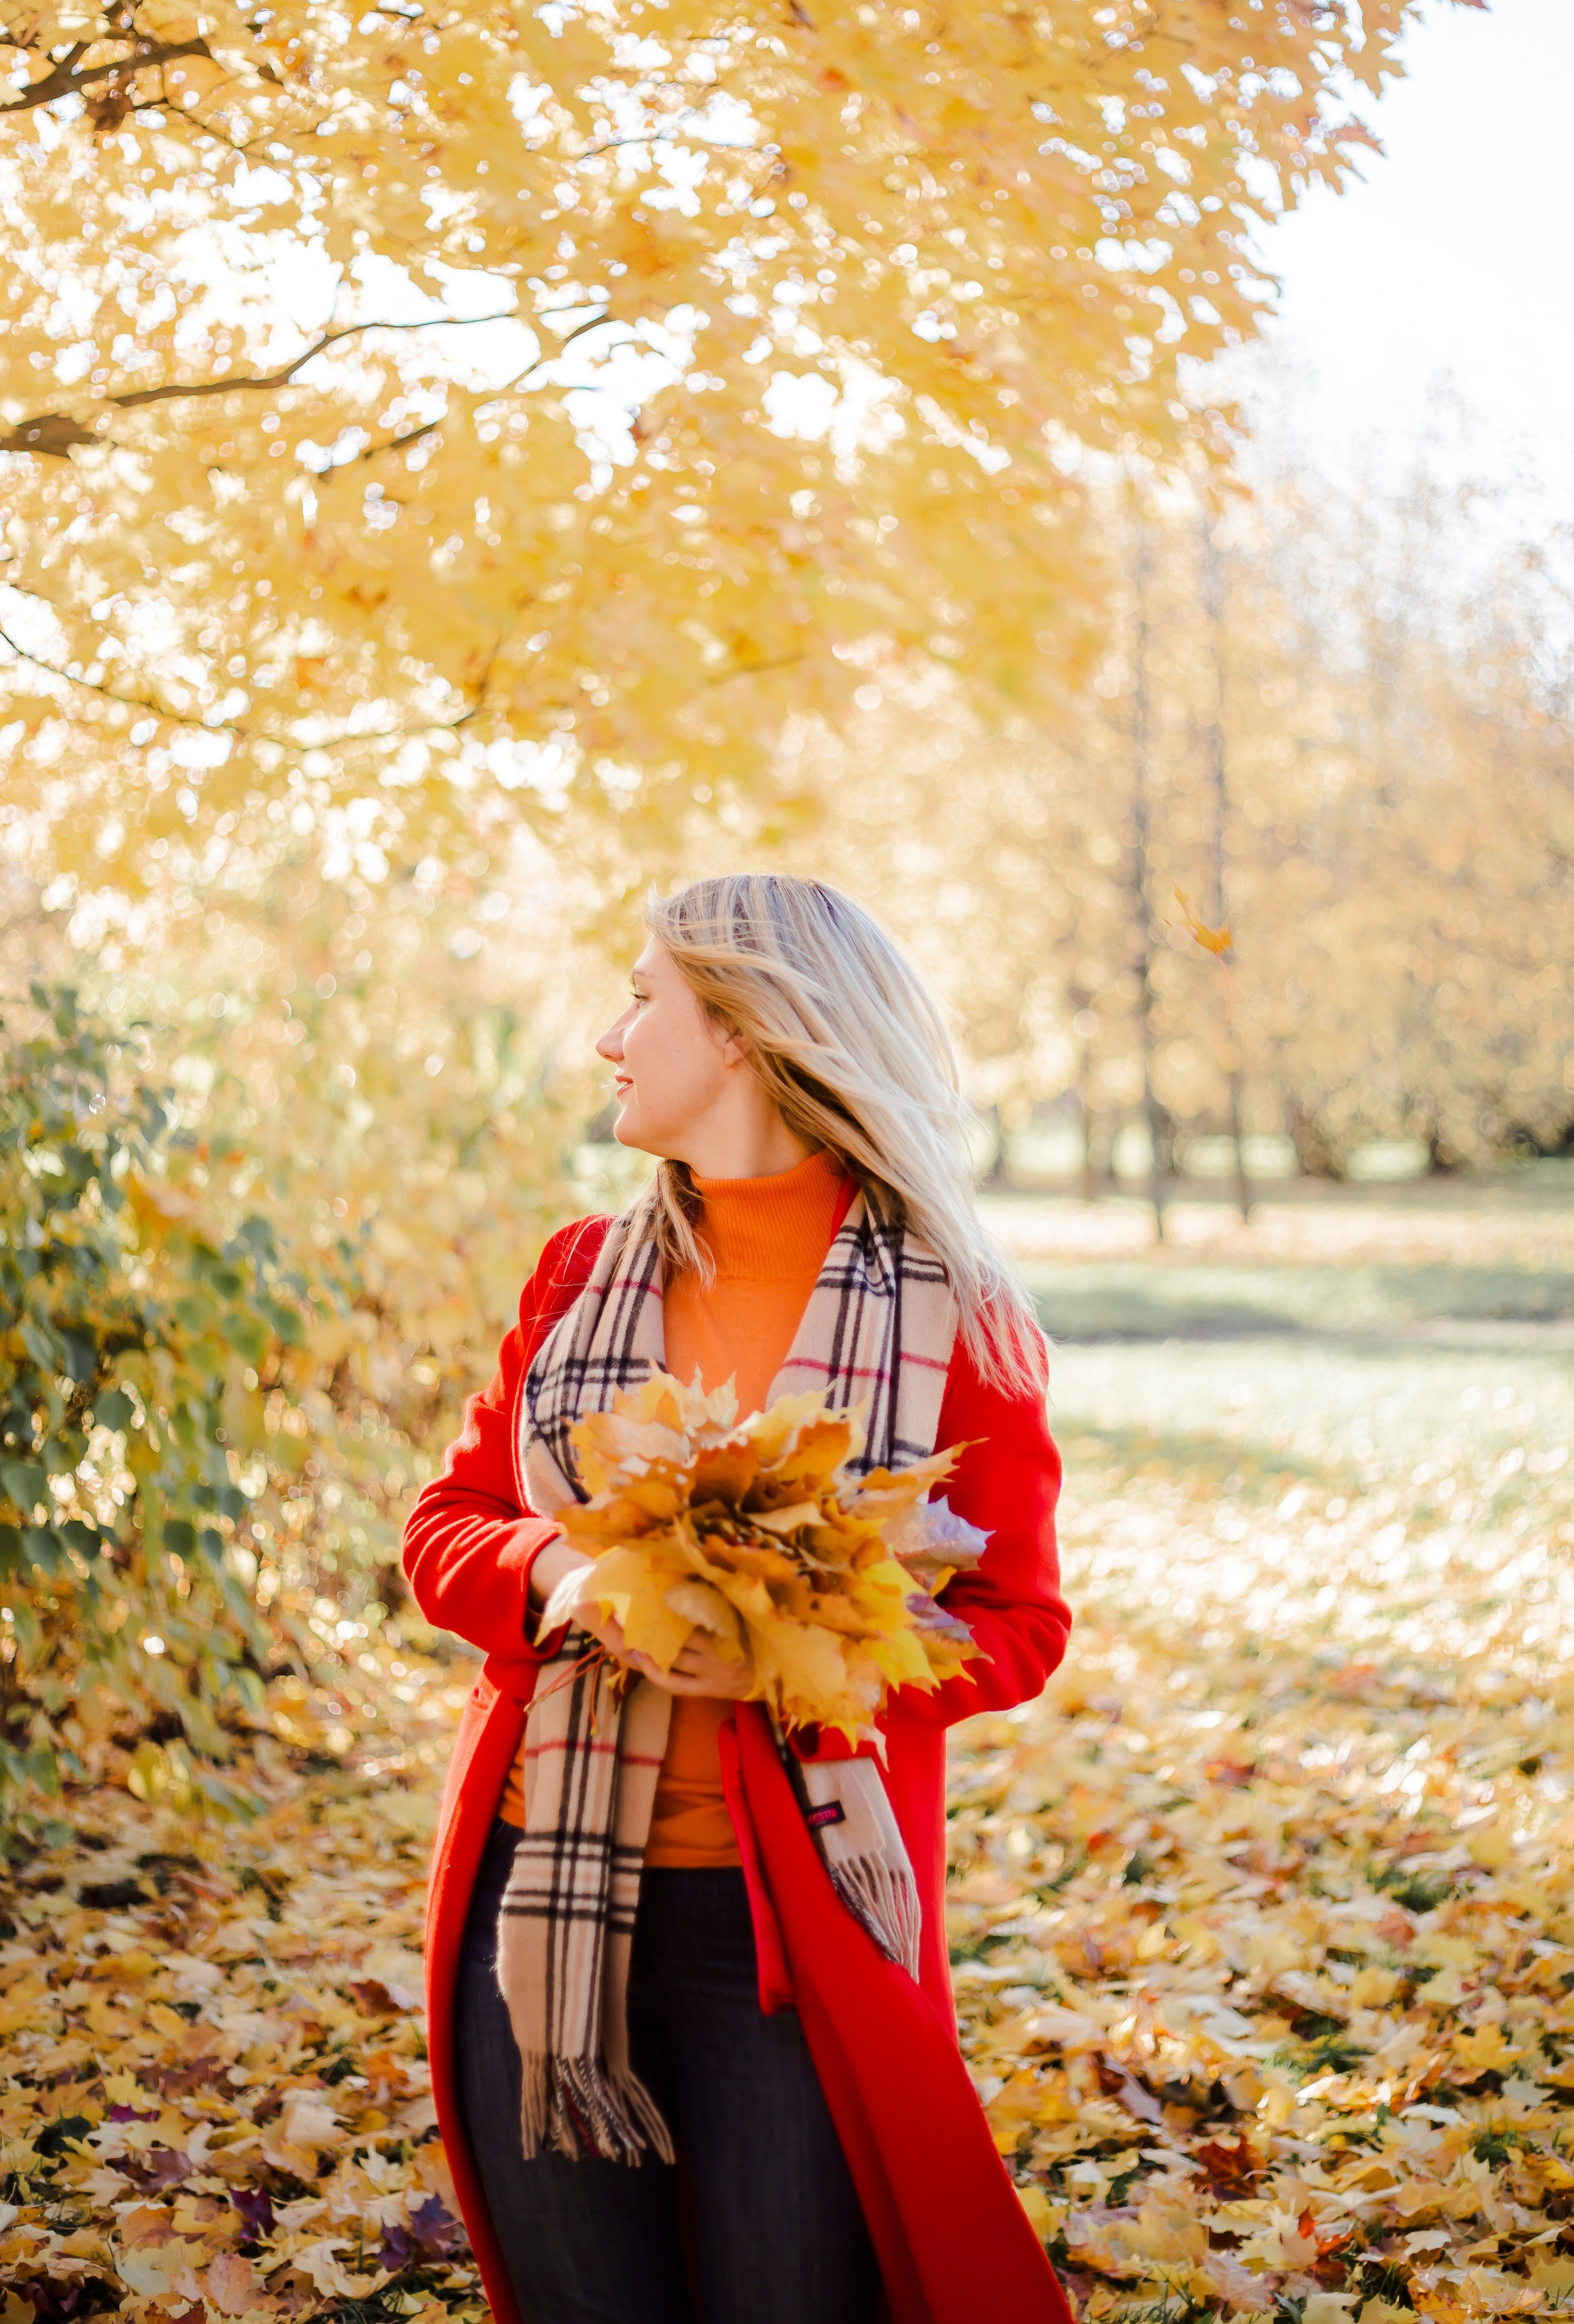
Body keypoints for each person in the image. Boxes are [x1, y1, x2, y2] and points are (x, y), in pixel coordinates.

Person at [403, 874, 1072, 2324]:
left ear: (751, 1032)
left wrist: (806, 1647)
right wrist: (563, 1574)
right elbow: (445, 1527)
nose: (608, 1035)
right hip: (546, 1906)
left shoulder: (953, 1315)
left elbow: (1020, 1625)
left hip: (786, 1933)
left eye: (643, 997)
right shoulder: (579, 1277)